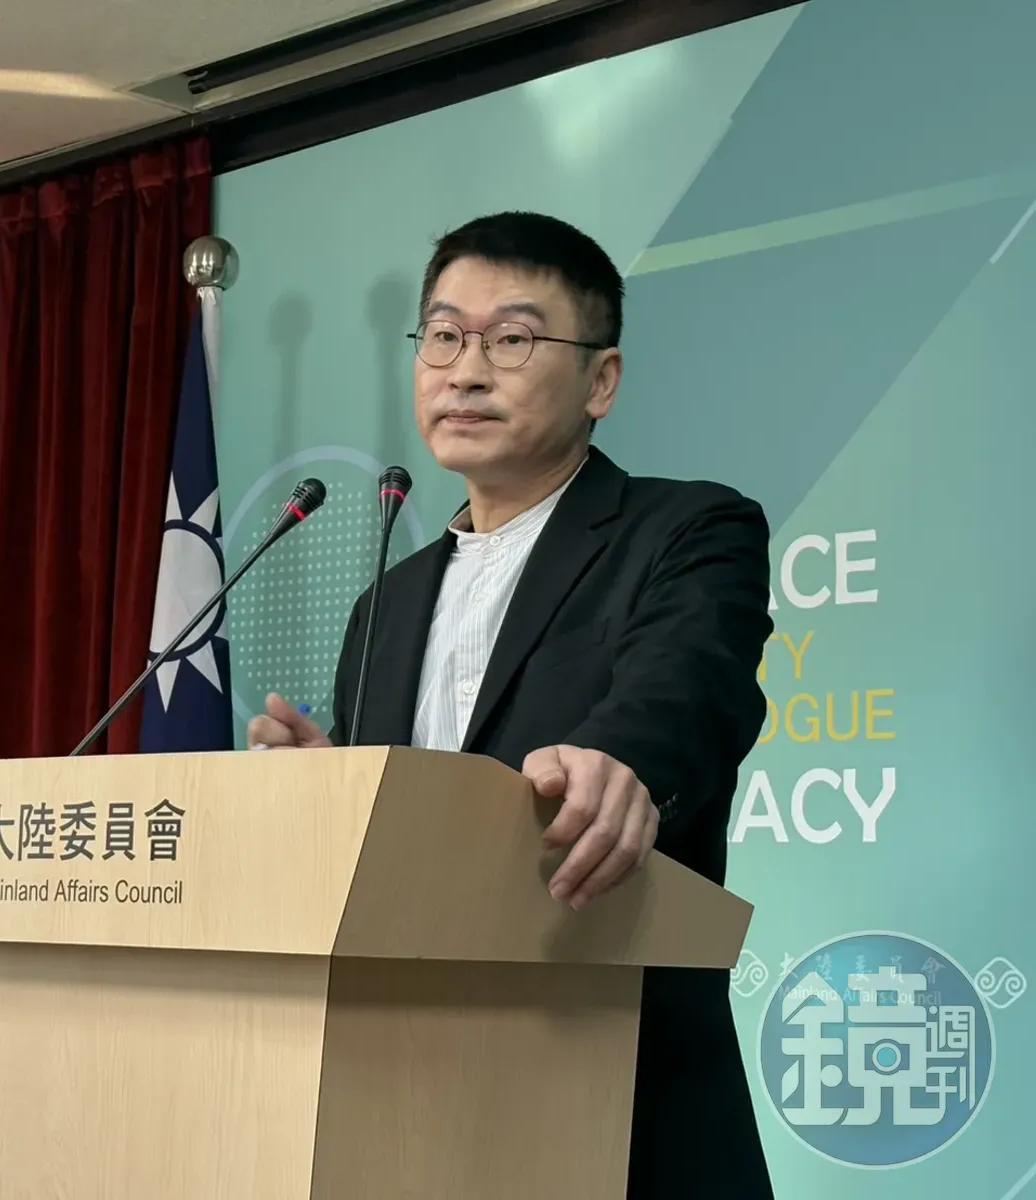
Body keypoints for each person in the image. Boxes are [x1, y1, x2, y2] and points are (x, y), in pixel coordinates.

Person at [247, 211, 775, 1199]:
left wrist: (621, 765)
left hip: (619, 1097)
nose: (465, 372)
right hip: (403, 1109)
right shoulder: (387, 603)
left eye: (513, 339)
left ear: (601, 381)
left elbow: (687, 686)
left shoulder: (686, 529)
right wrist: (340, 797)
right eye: (444, 336)